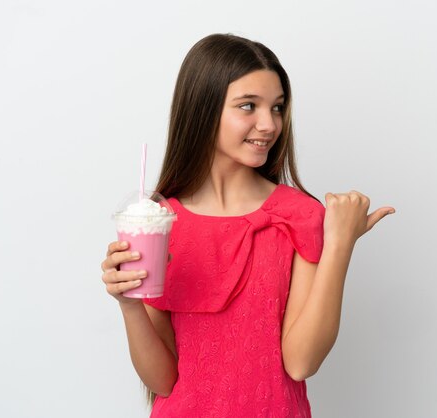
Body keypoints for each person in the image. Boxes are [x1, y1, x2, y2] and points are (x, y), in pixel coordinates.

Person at [100, 33, 395, 417]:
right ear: (203, 110)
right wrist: (129, 306)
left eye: (276, 107)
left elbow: (301, 362)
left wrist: (339, 244)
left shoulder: (297, 216)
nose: (269, 124)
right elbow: (162, 382)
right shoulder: (159, 222)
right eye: (248, 106)